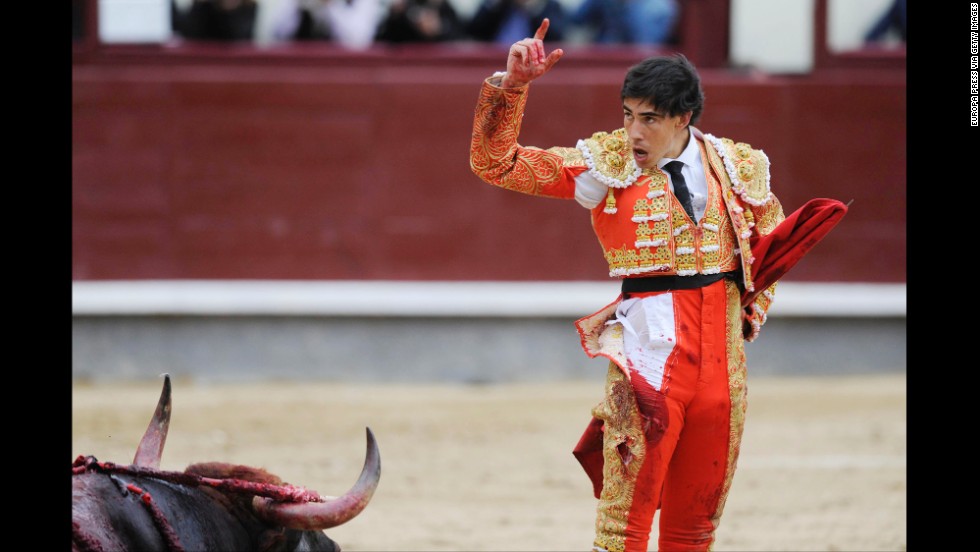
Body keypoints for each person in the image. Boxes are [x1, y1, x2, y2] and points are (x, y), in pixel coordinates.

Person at [468, 19, 839, 552]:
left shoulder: (738, 164)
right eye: (628, 115)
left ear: (683, 117)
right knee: (624, 525)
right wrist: (512, 87)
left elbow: (772, 246)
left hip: (722, 369)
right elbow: (495, 162)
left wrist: (750, 313)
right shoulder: (606, 166)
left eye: (649, 119)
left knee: (695, 525)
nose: (634, 132)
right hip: (647, 358)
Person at [270, 0, 381, 50]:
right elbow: (277, 33)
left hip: (343, 71)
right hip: (300, 68)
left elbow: (359, 40)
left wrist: (331, 5)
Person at [570, 0, 679, 45]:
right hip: (601, 61)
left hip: (636, 73)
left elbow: (645, 51)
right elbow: (575, 21)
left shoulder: (655, 8)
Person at [465, 0, 567, 45]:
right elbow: (474, 31)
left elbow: (557, 37)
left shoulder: (549, 6)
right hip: (494, 61)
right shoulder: (498, 6)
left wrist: (533, 7)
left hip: (532, 64)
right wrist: (495, 4)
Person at [375, 0, 465, 43]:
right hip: (406, 67)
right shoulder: (403, 10)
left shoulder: (446, 10)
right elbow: (382, 41)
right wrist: (396, 17)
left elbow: (460, 40)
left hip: (439, 68)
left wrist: (439, 30)